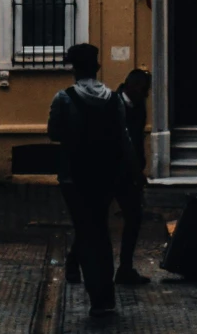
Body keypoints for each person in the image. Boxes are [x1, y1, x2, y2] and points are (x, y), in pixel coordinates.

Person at [47, 43, 135, 319]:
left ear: (74, 69)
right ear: (96, 67)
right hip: (106, 176)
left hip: (75, 177)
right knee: (101, 231)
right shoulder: (115, 99)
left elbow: (53, 133)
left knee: (87, 233)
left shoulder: (64, 98)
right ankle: (105, 296)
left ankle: (97, 296)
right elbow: (123, 138)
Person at [113, 67, 152, 286]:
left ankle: (125, 269)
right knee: (95, 217)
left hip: (129, 173)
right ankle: (73, 262)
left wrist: (140, 167)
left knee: (134, 218)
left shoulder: (138, 106)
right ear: (133, 87)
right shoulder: (113, 104)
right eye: (144, 90)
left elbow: (137, 140)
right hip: (112, 171)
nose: (147, 95)